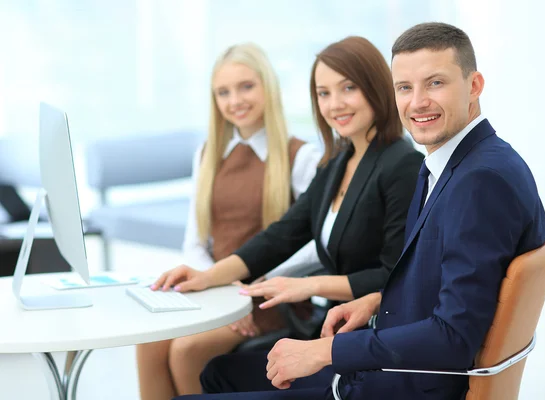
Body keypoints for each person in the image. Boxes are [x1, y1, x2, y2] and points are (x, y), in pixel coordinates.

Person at [181, 22, 545, 400]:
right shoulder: (450, 165)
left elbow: (453, 336)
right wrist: (376, 302)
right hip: (390, 364)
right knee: (217, 375)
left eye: (435, 83)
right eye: (405, 88)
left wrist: (324, 352)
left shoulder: (478, 181)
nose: (417, 101)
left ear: (474, 86)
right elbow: (432, 285)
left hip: (400, 384)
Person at [154, 35, 423, 396]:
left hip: (367, 347)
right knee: (218, 372)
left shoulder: (401, 163)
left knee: (212, 374)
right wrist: (206, 277)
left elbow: (393, 276)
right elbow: (280, 236)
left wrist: (308, 285)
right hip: (333, 332)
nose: (335, 104)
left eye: (348, 88)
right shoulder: (339, 161)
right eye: (323, 93)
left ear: (375, 87)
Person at [136, 43, 324, 400]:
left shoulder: (300, 156)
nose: (235, 100)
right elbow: (194, 242)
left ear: (267, 86)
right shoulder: (208, 154)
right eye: (223, 92)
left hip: (269, 300)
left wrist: (249, 287)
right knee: (150, 343)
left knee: (187, 350)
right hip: (217, 290)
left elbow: (319, 242)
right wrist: (223, 287)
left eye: (246, 86)